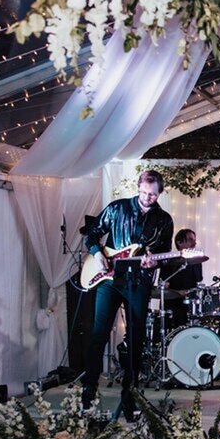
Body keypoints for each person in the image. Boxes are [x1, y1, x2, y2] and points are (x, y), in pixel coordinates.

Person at [82, 169, 174, 420]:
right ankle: (87, 394)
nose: (147, 198)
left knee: (135, 340)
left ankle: (129, 397)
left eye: (153, 195)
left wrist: (153, 263)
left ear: (160, 193)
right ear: (138, 188)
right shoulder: (116, 209)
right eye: (144, 192)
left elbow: (165, 254)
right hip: (109, 281)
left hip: (139, 283)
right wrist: (98, 253)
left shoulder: (164, 220)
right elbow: (90, 234)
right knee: (98, 334)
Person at [162, 228, 203, 333]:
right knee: (179, 317)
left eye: (194, 240)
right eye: (190, 239)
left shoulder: (197, 261)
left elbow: (198, 280)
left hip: (191, 303)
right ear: (179, 242)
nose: (194, 243)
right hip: (174, 303)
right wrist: (177, 293)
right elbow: (164, 287)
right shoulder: (169, 261)